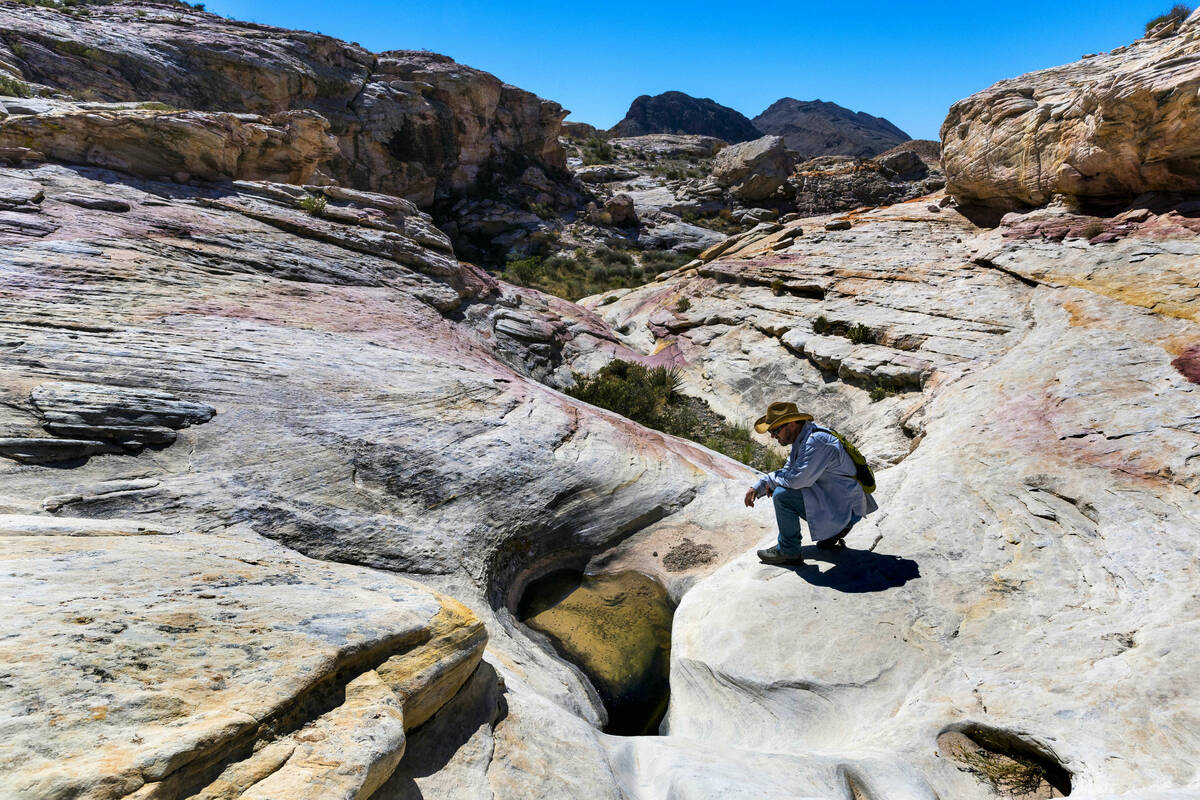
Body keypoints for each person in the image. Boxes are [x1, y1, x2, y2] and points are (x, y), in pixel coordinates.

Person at [743, 401, 878, 565]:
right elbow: (789, 470)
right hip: (838, 501)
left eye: (775, 430)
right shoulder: (806, 437)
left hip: (846, 508)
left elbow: (796, 480)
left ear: (792, 424)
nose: (772, 436)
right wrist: (762, 485)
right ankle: (833, 532)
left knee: (782, 496)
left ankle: (788, 551)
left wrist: (776, 485)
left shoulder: (816, 442)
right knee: (783, 487)